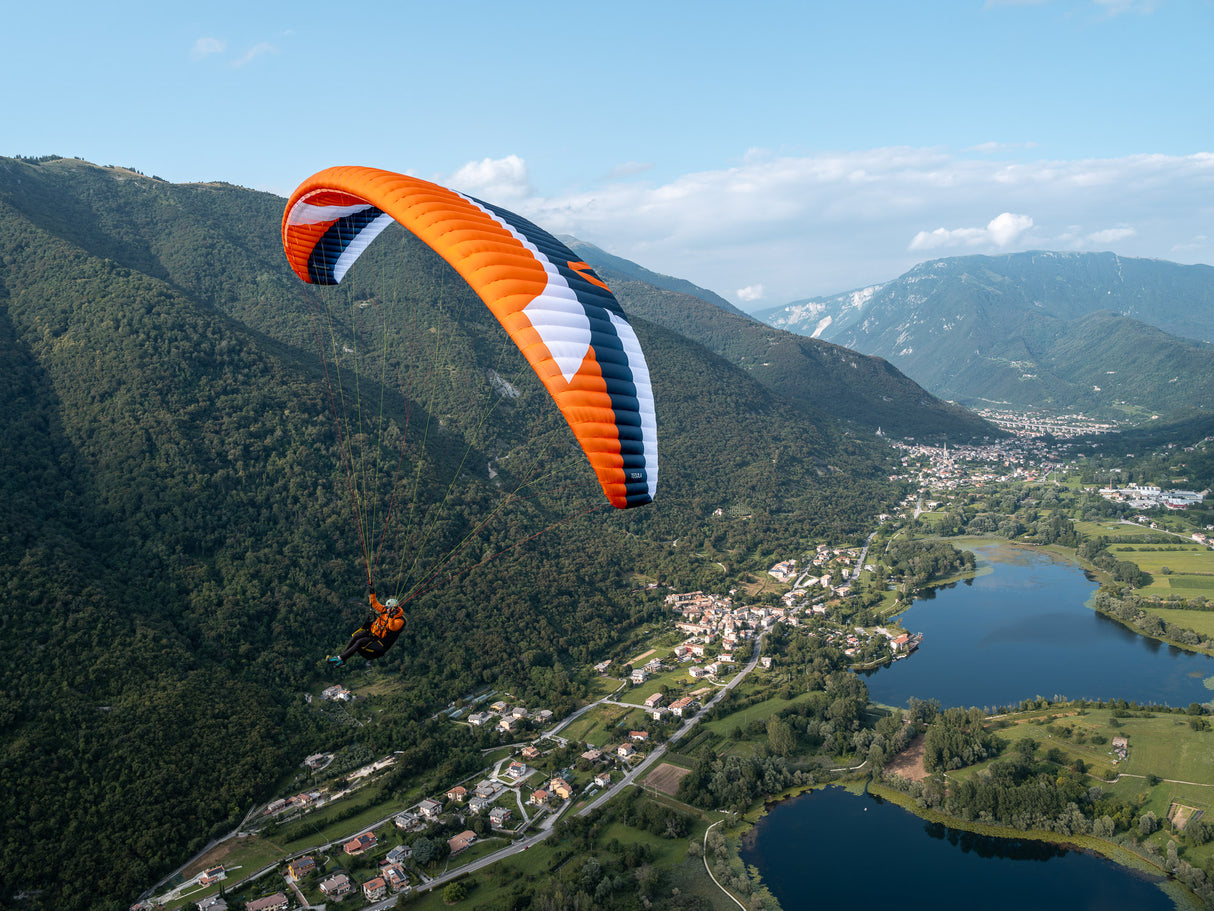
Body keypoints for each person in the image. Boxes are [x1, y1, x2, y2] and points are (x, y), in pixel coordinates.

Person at [327, 586, 406, 667]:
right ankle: (343, 659)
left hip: (377, 638)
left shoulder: (400, 620)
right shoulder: (386, 610)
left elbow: (393, 627)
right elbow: (375, 604)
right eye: (386, 607)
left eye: (388, 608)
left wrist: (391, 617)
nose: (386, 609)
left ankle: (340, 658)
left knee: (359, 642)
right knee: (355, 637)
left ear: (393, 608)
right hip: (371, 631)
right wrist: (372, 593)